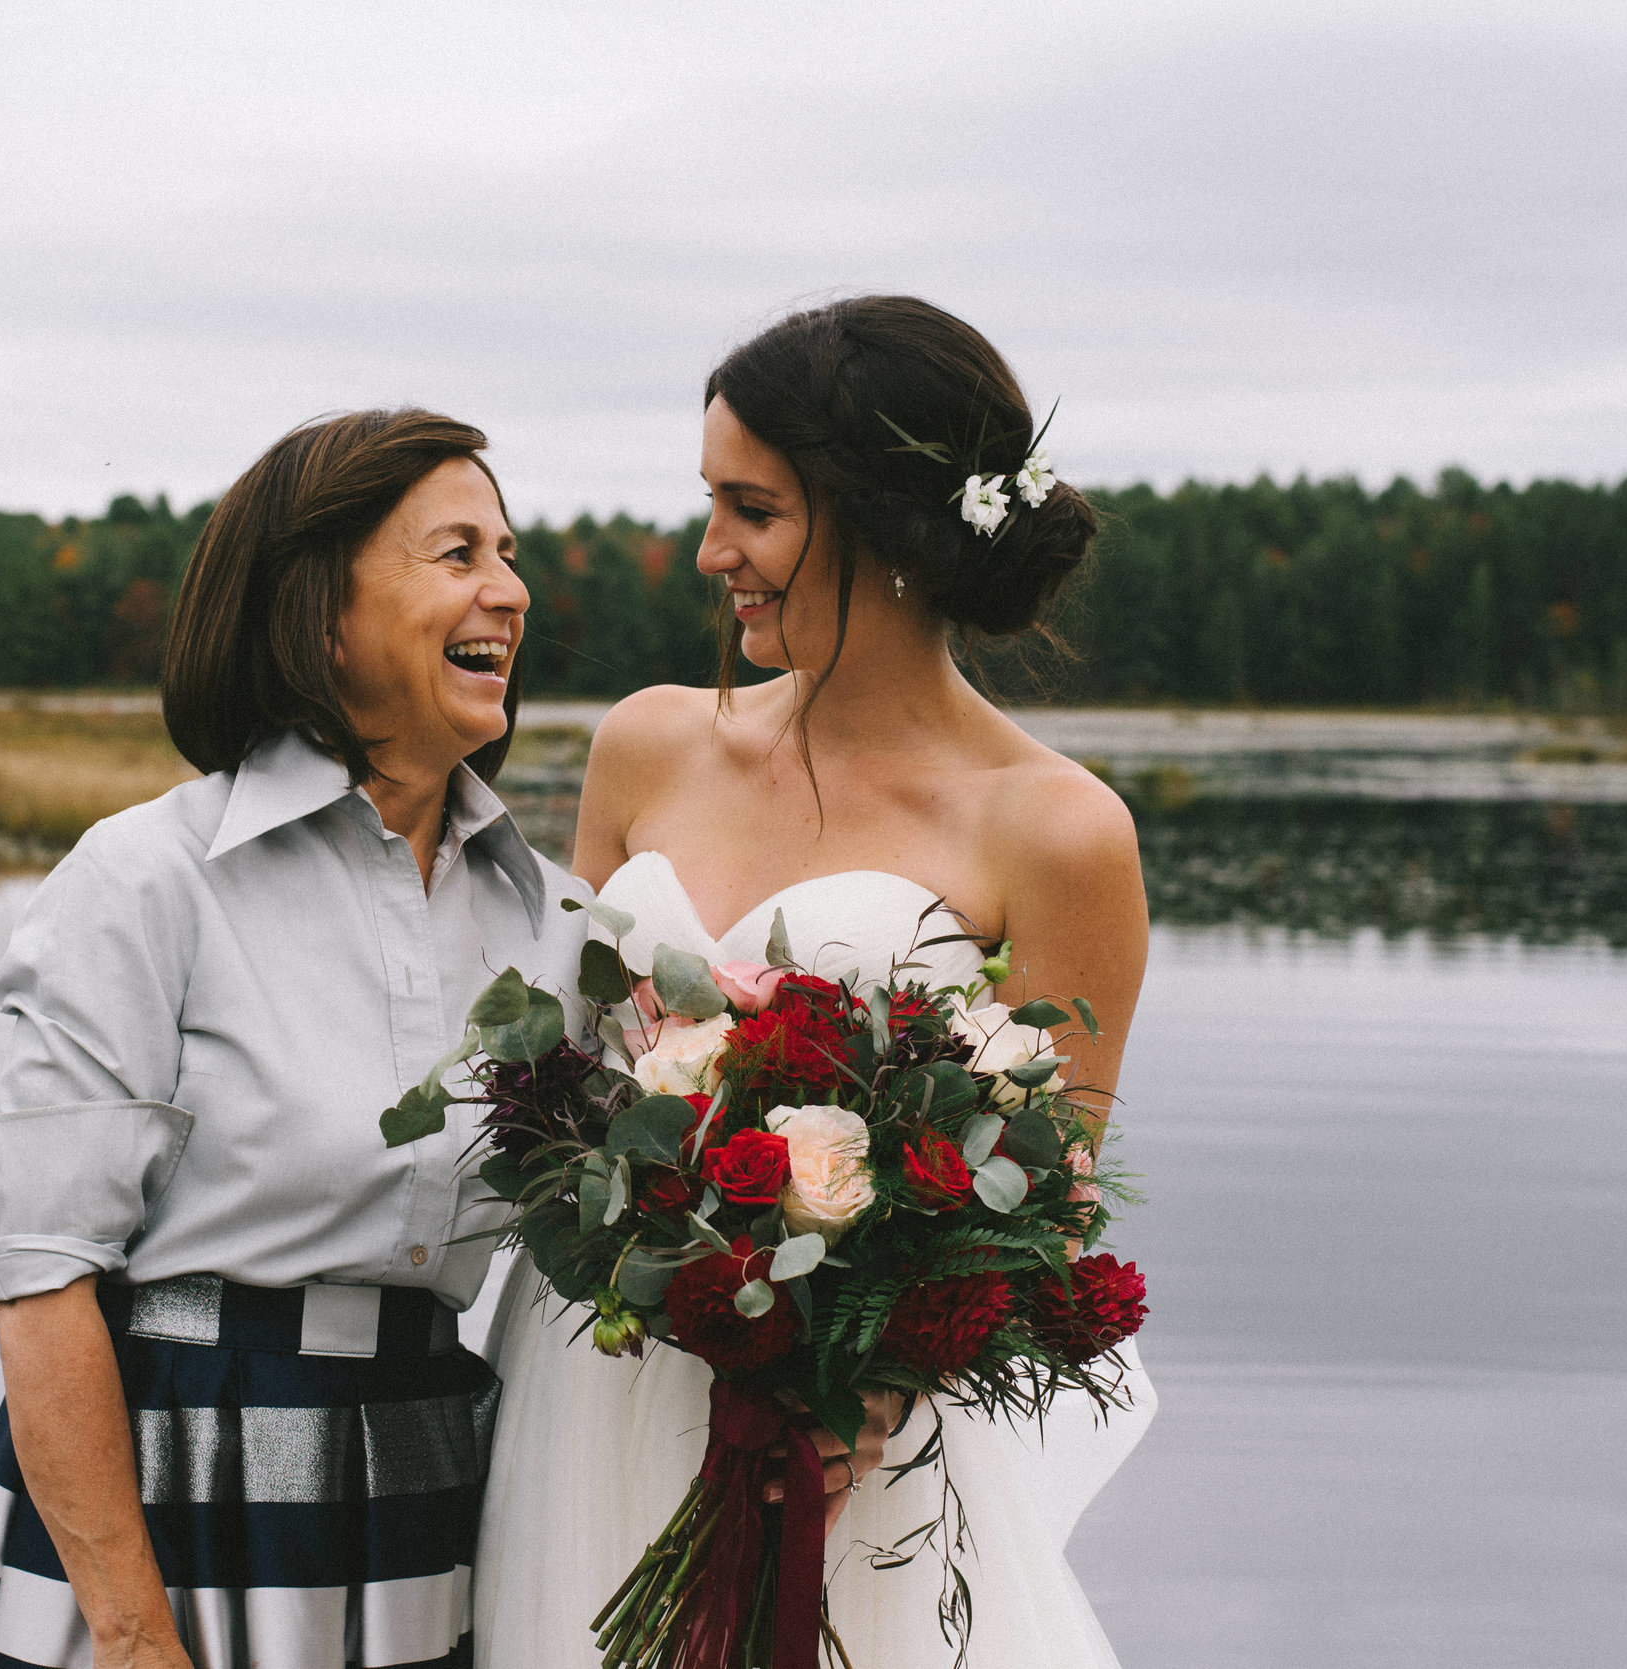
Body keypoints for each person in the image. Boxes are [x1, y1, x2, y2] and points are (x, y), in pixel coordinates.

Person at [476, 296, 1158, 1667]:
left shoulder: (1057, 828)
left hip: (850, 1432)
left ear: (881, 521)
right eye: (712, 501)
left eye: (753, 509)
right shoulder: (648, 746)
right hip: (590, 1373)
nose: (711, 549)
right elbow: (569, 1079)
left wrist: (878, 1385)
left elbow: (1049, 1203)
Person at [0, 408, 590, 1669]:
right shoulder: (145, 878)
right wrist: (128, 1636)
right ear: (318, 612)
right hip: (161, 1502)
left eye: (507, 553)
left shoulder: (560, 925)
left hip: (426, 1490)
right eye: (457, 554)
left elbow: (612, 1250)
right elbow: (42, 1275)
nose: (512, 587)